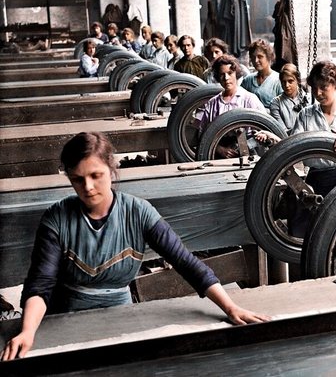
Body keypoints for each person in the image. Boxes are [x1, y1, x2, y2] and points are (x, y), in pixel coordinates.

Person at [0, 132, 270, 361]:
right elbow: (40, 284)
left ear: (112, 169)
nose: (88, 187)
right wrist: (27, 331)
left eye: (96, 175)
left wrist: (231, 307)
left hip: (121, 312)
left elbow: (185, 262)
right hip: (65, 315)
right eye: (78, 179)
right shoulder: (56, 219)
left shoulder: (139, 212)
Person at [256, 61, 336, 237]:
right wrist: (272, 138)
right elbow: (293, 148)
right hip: (315, 179)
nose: (318, 93)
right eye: (314, 88)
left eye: (324, 87)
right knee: (304, 227)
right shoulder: (306, 115)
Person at [198, 54, 266, 158]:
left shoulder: (249, 99)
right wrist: (219, 149)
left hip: (248, 154)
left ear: (236, 74)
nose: (226, 78)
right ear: (217, 77)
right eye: (222, 74)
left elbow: (265, 128)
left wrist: (247, 146)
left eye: (230, 73)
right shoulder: (213, 103)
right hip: (219, 157)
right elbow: (202, 134)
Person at [241, 39, 283, 108]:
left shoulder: (278, 81)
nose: (256, 60)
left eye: (260, 57)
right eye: (253, 57)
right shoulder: (247, 80)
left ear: (269, 57)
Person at [269, 63, 309, 134]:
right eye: (283, 82)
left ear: (298, 80)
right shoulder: (276, 103)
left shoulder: (308, 99)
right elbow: (281, 131)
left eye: (290, 81)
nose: (287, 85)